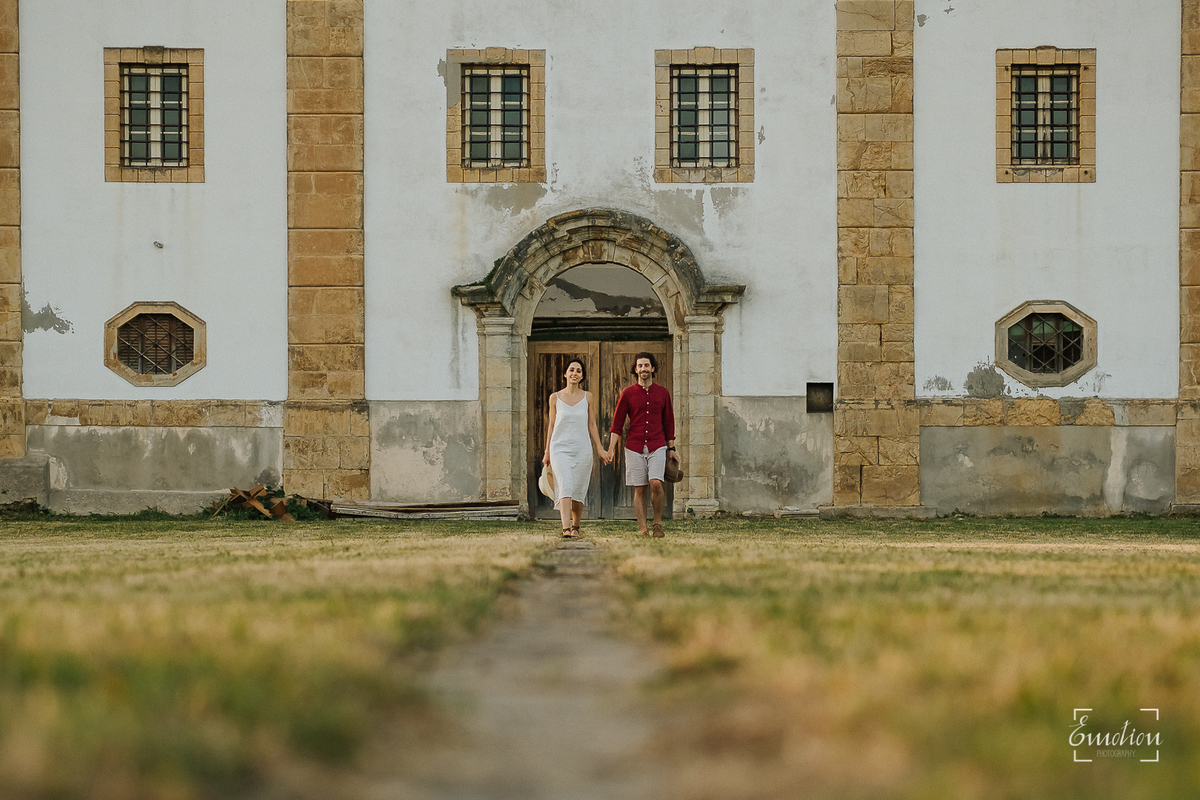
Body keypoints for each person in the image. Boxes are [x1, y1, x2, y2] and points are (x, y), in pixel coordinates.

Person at [605, 352, 678, 537]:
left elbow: (669, 422)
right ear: (635, 369)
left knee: (655, 483)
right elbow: (617, 424)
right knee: (640, 488)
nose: (643, 369)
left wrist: (671, 449)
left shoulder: (663, 393)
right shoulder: (627, 394)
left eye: (646, 365)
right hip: (634, 446)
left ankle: (658, 524)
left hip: (657, 444)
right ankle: (643, 529)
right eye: (640, 366)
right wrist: (611, 448)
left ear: (653, 368)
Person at [542, 358, 610, 539]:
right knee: (564, 485)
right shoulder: (554, 398)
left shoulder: (588, 397)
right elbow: (551, 425)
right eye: (571, 370)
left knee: (578, 489)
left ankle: (576, 526)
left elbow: (592, 425)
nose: (574, 373)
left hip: (582, 449)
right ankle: (565, 528)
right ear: (565, 373)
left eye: (578, 371)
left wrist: (600, 449)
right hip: (560, 448)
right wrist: (547, 451)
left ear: (582, 376)